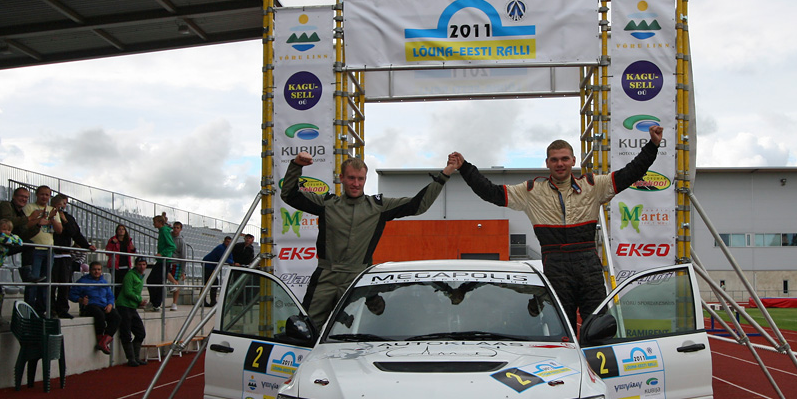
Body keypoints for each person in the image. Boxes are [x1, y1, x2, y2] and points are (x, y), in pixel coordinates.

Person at [450, 124, 664, 326]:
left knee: (598, 326)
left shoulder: (593, 185)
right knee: (562, 328)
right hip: (555, 265)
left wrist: (652, 145)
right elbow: (492, 192)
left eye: (564, 159)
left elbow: (630, 173)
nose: (560, 164)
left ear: (573, 160)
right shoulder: (531, 191)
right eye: (554, 160)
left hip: (588, 265)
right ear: (547, 163)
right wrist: (466, 168)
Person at [281, 151, 458, 329]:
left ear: (366, 179)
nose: (356, 184)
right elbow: (289, 195)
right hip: (325, 276)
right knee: (307, 328)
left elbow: (418, 205)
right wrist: (297, 165)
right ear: (341, 178)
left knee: (356, 329)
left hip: (358, 278)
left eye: (360, 179)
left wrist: (445, 173)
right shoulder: (327, 204)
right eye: (351, 178)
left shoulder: (378, 207)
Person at [50, 194, 96, 319]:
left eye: (65, 204)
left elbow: (75, 233)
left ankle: (62, 309)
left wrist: (86, 245)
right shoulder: (48, 214)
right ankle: (51, 309)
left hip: (65, 255)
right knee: (51, 285)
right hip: (52, 254)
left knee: (65, 285)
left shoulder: (68, 218)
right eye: (61, 203)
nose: (63, 206)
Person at [22, 185, 62, 315]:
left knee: (46, 283)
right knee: (33, 282)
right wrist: (39, 219)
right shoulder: (29, 208)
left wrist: (51, 219)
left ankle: (41, 310)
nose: (44, 197)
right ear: (37, 195)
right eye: (42, 194)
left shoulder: (52, 210)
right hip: (34, 249)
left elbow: (59, 230)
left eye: (47, 195)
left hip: (49, 249)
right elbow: (25, 225)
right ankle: (29, 310)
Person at [69, 261, 121, 355]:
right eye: (94, 269)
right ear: (90, 270)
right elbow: (71, 294)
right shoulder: (83, 281)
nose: (96, 272)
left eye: (99, 269)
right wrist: (80, 300)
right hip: (89, 306)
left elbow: (110, 296)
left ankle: (104, 341)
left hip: (103, 306)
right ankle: (100, 339)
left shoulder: (104, 282)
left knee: (116, 316)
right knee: (99, 315)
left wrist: (110, 305)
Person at [116, 256, 148, 366]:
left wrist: (138, 302)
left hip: (132, 307)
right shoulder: (130, 275)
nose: (142, 266)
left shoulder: (140, 276)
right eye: (140, 264)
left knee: (140, 332)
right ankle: (131, 358)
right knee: (126, 332)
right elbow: (128, 291)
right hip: (124, 306)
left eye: (144, 264)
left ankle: (135, 357)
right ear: (136, 265)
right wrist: (139, 300)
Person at [145, 214, 176, 311]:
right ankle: (154, 303)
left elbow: (172, 246)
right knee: (154, 281)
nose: (153, 224)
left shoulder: (164, 232)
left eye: (155, 222)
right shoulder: (163, 231)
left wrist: (162, 253)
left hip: (164, 261)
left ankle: (156, 304)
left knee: (154, 281)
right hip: (162, 260)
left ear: (160, 222)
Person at [201, 236, 234, 307]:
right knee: (211, 282)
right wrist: (232, 262)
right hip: (208, 264)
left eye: (229, 242)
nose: (228, 243)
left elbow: (230, 257)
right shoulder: (221, 248)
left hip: (212, 266)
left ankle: (207, 301)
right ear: (224, 241)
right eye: (227, 241)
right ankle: (208, 301)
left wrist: (232, 261)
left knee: (209, 282)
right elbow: (223, 258)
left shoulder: (228, 249)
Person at [105, 224, 136, 294]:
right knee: (115, 284)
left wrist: (133, 249)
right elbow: (107, 252)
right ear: (117, 231)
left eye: (123, 229)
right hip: (115, 266)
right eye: (119, 229)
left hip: (126, 266)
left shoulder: (128, 241)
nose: (121, 231)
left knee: (125, 284)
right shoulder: (112, 240)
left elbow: (131, 253)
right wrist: (112, 243)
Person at [168, 221, 186, 311]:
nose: (175, 229)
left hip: (176, 263)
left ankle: (174, 303)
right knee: (165, 274)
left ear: (180, 229)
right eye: (174, 227)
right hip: (167, 261)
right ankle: (174, 283)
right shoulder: (168, 236)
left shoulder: (181, 241)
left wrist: (183, 271)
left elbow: (183, 256)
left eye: (177, 228)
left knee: (176, 282)